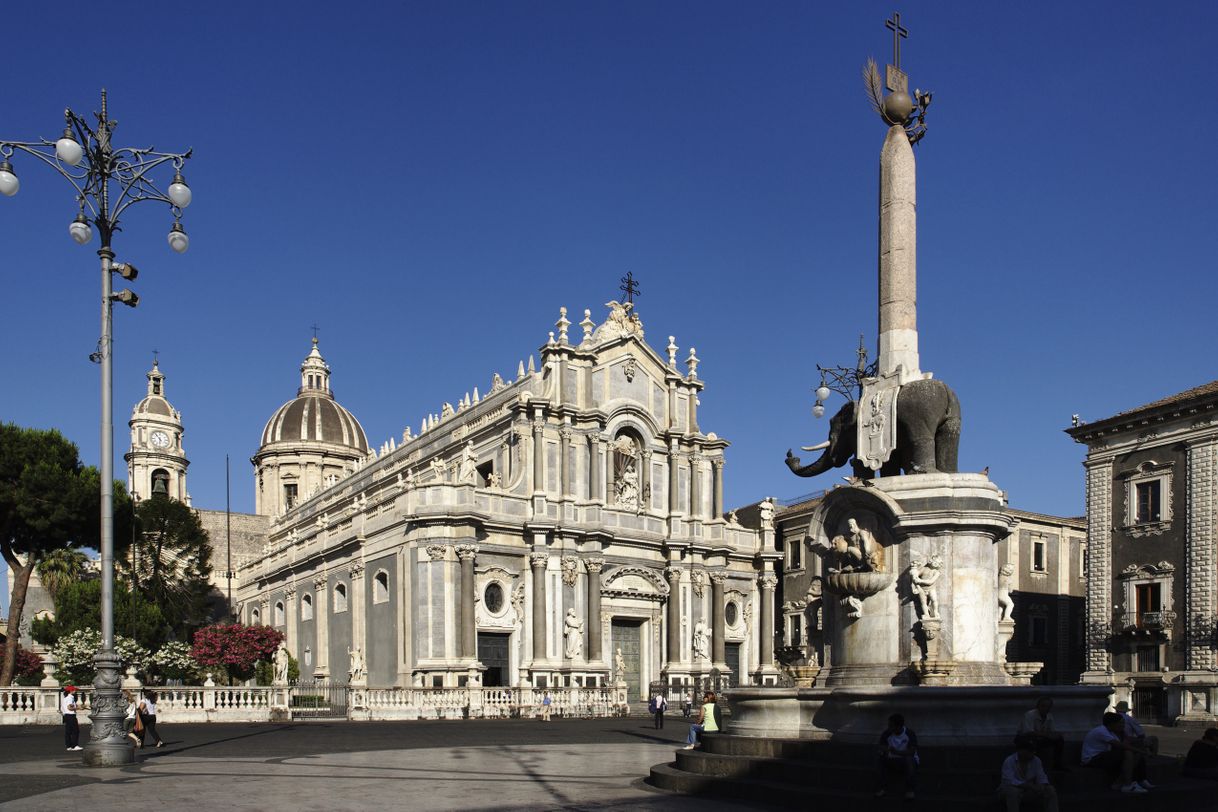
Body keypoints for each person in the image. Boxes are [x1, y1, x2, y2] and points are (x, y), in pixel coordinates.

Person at [1081, 712, 1151, 793]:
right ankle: (1127, 784)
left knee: (1136, 755)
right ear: (1112, 724)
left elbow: (1125, 743)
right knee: (1128, 753)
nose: (1123, 726)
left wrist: (1127, 738)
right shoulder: (1101, 731)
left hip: (1103, 756)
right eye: (1120, 723)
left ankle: (1133, 780)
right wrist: (1142, 751)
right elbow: (1121, 746)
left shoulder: (1111, 732)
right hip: (1092, 759)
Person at [997, 736, 1059, 812]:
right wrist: (1029, 786)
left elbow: (1042, 777)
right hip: (1009, 791)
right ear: (1021, 751)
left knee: (1050, 789)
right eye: (1030, 751)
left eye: (1033, 751)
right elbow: (1010, 781)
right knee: (1013, 791)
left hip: (1029, 791)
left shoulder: (1036, 760)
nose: (1033, 753)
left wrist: (1041, 786)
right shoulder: (1009, 761)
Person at [875, 713, 919, 800]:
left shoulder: (909, 734)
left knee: (909, 760)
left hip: (906, 760)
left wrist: (896, 752)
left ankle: (910, 790)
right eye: (889, 725)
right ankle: (882, 788)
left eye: (891, 725)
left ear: (899, 726)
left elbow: (911, 752)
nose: (889, 727)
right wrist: (884, 750)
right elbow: (881, 746)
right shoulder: (887, 733)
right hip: (892, 760)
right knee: (879, 759)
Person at [1017, 697, 1065, 770]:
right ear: (1038, 706)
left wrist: (1056, 735)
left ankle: (1057, 764)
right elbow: (1027, 732)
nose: (1045, 708)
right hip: (1025, 738)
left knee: (1059, 740)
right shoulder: (1029, 715)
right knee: (1031, 741)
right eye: (1043, 706)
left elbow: (1052, 730)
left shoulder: (1049, 716)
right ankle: (1031, 765)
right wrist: (1045, 734)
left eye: (1048, 707)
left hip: (1040, 738)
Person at [61, 685, 81, 751]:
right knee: (75, 731)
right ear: (71, 691)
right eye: (74, 690)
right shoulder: (70, 698)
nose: (75, 691)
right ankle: (74, 745)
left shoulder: (65, 698)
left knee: (68, 731)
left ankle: (68, 746)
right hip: (71, 715)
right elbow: (70, 707)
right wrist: (78, 708)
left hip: (66, 715)